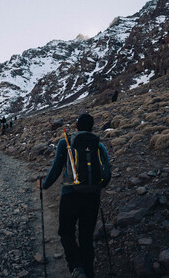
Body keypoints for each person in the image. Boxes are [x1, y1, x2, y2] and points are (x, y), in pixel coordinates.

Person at [37, 113, 110, 278]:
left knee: (66, 232)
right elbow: (107, 173)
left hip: (70, 195)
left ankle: (76, 268)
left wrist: (44, 185)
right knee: (86, 237)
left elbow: (56, 170)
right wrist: (97, 187)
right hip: (92, 197)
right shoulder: (98, 145)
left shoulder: (66, 143)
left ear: (76, 126)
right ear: (92, 127)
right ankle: (89, 273)